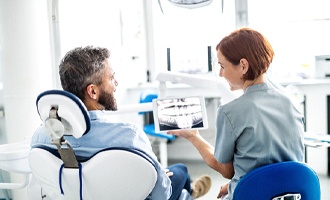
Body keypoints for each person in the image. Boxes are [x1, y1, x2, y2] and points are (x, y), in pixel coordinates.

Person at [31, 46, 211, 200]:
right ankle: (189, 192)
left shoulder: (42, 136)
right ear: (92, 91)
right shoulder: (129, 136)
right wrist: (160, 175)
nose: (116, 83)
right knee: (180, 171)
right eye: (111, 78)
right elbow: (161, 195)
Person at [168, 27, 305, 200]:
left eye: (222, 66)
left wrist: (194, 136)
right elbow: (280, 165)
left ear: (243, 65)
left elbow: (226, 170)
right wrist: (239, 184)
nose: (220, 73)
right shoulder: (291, 102)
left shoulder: (230, 112)